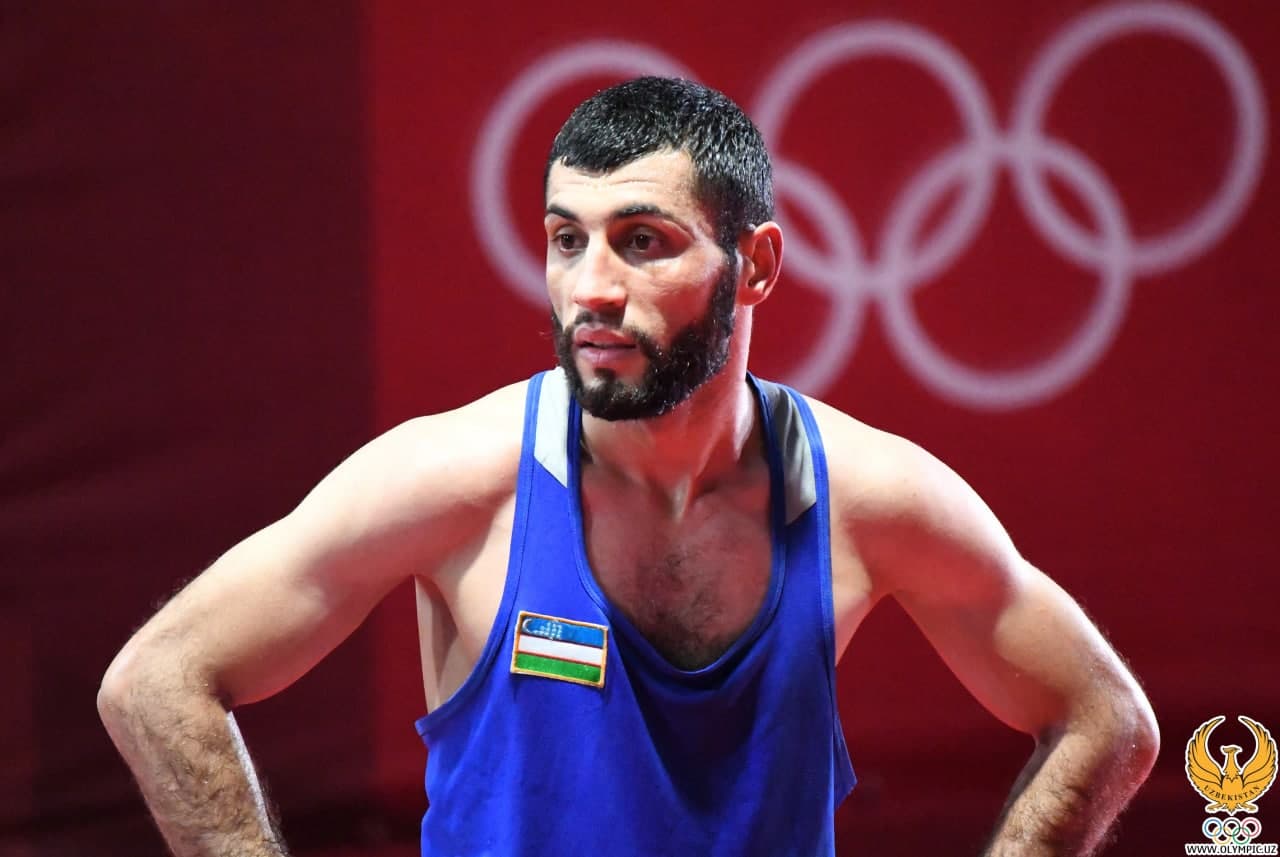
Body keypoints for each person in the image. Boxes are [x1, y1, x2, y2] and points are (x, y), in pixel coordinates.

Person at [98, 77, 1159, 857]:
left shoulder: (865, 497)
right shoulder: (456, 480)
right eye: (567, 239)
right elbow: (155, 682)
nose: (590, 288)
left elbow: (1107, 719)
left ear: (755, 265)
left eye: (642, 240)